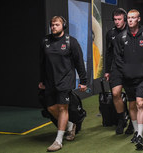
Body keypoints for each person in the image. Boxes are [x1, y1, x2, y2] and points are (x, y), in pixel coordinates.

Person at [38, 16, 87, 152]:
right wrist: (42, 80)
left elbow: (79, 62)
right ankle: (71, 125)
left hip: (65, 80)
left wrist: (83, 81)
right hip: (49, 81)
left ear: (63, 26)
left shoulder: (71, 42)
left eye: (57, 25)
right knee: (51, 108)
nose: (54, 27)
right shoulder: (45, 41)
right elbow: (42, 63)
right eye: (52, 25)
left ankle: (58, 140)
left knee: (62, 108)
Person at [114, 9, 143, 150]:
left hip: (142, 77)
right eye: (129, 18)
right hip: (128, 77)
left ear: (139, 19)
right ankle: (136, 130)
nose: (131, 20)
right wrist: (124, 70)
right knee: (132, 105)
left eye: (133, 17)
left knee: (140, 103)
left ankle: (140, 136)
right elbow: (117, 57)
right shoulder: (121, 37)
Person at [104, 8, 133, 135]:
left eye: (119, 19)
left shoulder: (133, 32)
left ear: (125, 19)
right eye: (115, 19)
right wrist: (107, 70)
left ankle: (133, 122)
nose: (117, 22)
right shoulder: (110, 33)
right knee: (116, 94)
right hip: (116, 67)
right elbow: (108, 52)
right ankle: (121, 120)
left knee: (132, 97)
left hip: (131, 67)